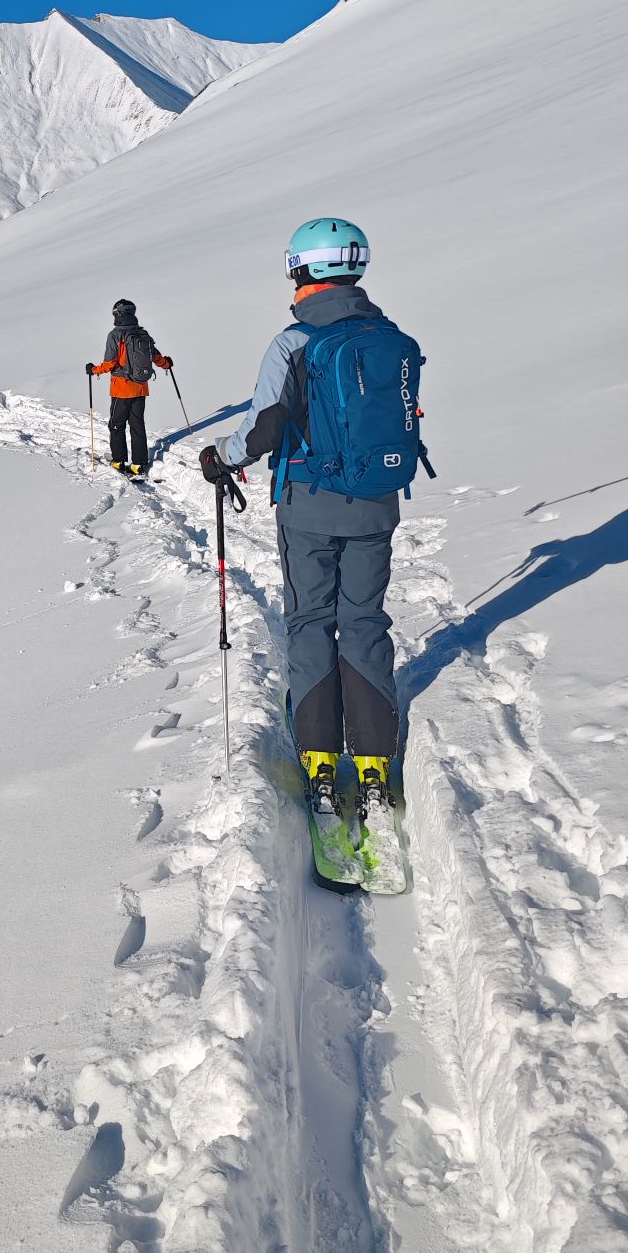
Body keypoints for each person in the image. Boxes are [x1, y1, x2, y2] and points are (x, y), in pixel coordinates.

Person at [199, 218, 421, 823]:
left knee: (310, 620)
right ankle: (375, 762)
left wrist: (221, 457)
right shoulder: (389, 335)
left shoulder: (293, 342)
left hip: (308, 505)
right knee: (364, 618)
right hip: (377, 503)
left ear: (304, 270)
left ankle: (321, 758)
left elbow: (264, 425)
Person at [87, 299, 173, 477]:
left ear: (117, 314)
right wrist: (166, 364)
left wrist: (94, 370)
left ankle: (119, 461)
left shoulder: (114, 335)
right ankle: (138, 464)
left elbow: (110, 363)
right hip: (140, 388)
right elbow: (155, 356)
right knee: (137, 425)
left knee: (117, 425)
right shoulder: (142, 333)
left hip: (121, 389)